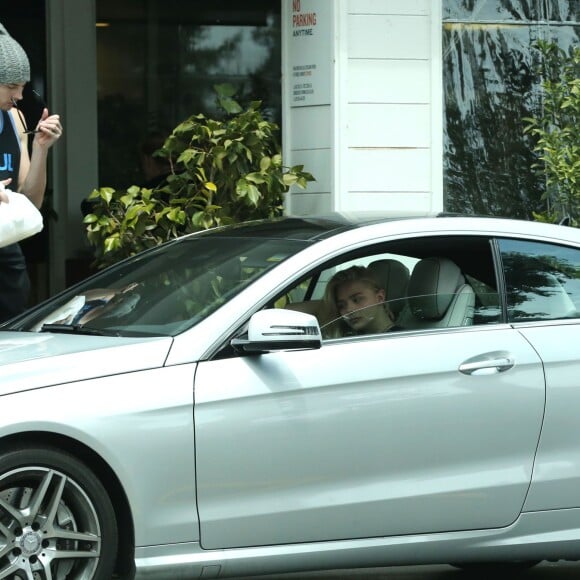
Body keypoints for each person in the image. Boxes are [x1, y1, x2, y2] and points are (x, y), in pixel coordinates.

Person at [0, 22, 62, 322]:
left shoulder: (13, 117)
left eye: (23, 87)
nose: (19, 95)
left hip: (6, 255)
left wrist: (41, 148)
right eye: (12, 86)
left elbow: (31, 202)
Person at [323, 265, 400, 337]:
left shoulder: (402, 339)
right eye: (341, 306)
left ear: (380, 297)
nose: (349, 310)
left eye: (356, 300)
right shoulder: (350, 339)